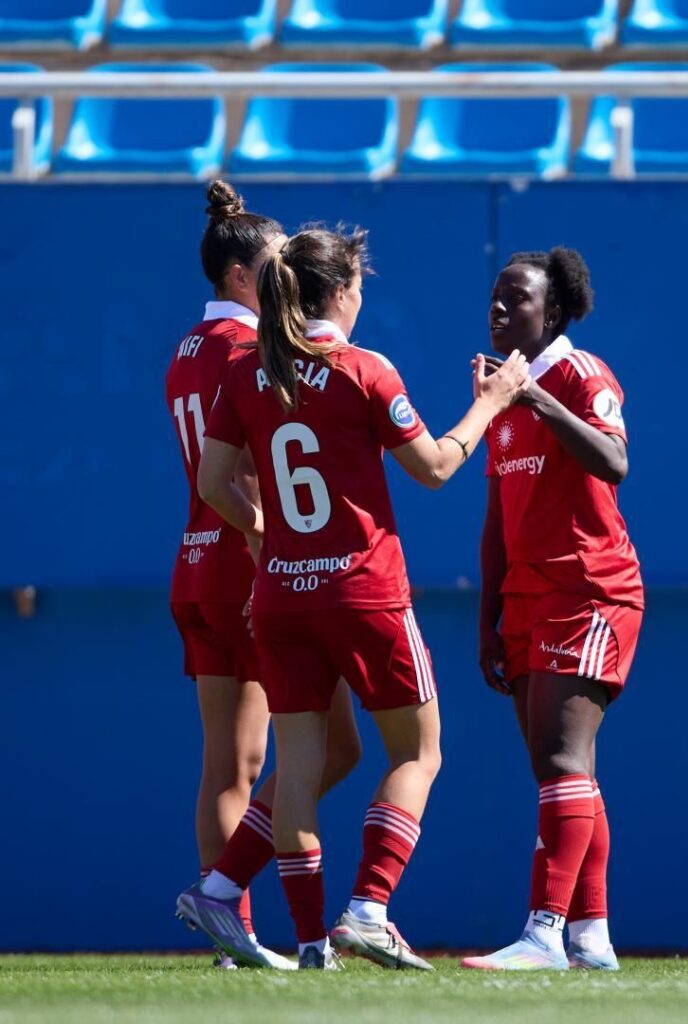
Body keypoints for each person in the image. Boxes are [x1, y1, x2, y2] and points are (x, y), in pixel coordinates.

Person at [190, 225, 529, 970]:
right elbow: (436, 467)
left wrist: (268, 530)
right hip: (362, 591)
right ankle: (369, 907)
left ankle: (310, 942)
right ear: (341, 292)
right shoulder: (361, 368)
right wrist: (493, 403)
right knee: (417, 751)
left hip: (281, 594)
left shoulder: (246, 369)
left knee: (300, 767)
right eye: (359, 289)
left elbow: (214, 484)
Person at [167, 183, 362, 969]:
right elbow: (243, 470)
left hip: (191, 560)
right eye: (277, 263)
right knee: (324, 749)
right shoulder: (249, 355)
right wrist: (263, 540)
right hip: (247, 563)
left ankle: (229, 924)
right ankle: (238, 915)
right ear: (246, 275)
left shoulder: (186, 347)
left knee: (228, 762)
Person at [461, 249, 643, 973]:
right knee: (560, 772)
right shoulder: (500, 398)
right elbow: (496, 518)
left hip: (590, 591)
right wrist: (487, 618)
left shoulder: (580, 374)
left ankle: (542, 933)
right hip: (526, 602)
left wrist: (534, 398)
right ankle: (590, 937)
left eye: (517, 298)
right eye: (494, 297)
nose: (499, 308)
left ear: (555, 312)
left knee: (563, 760)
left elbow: (613, 461)